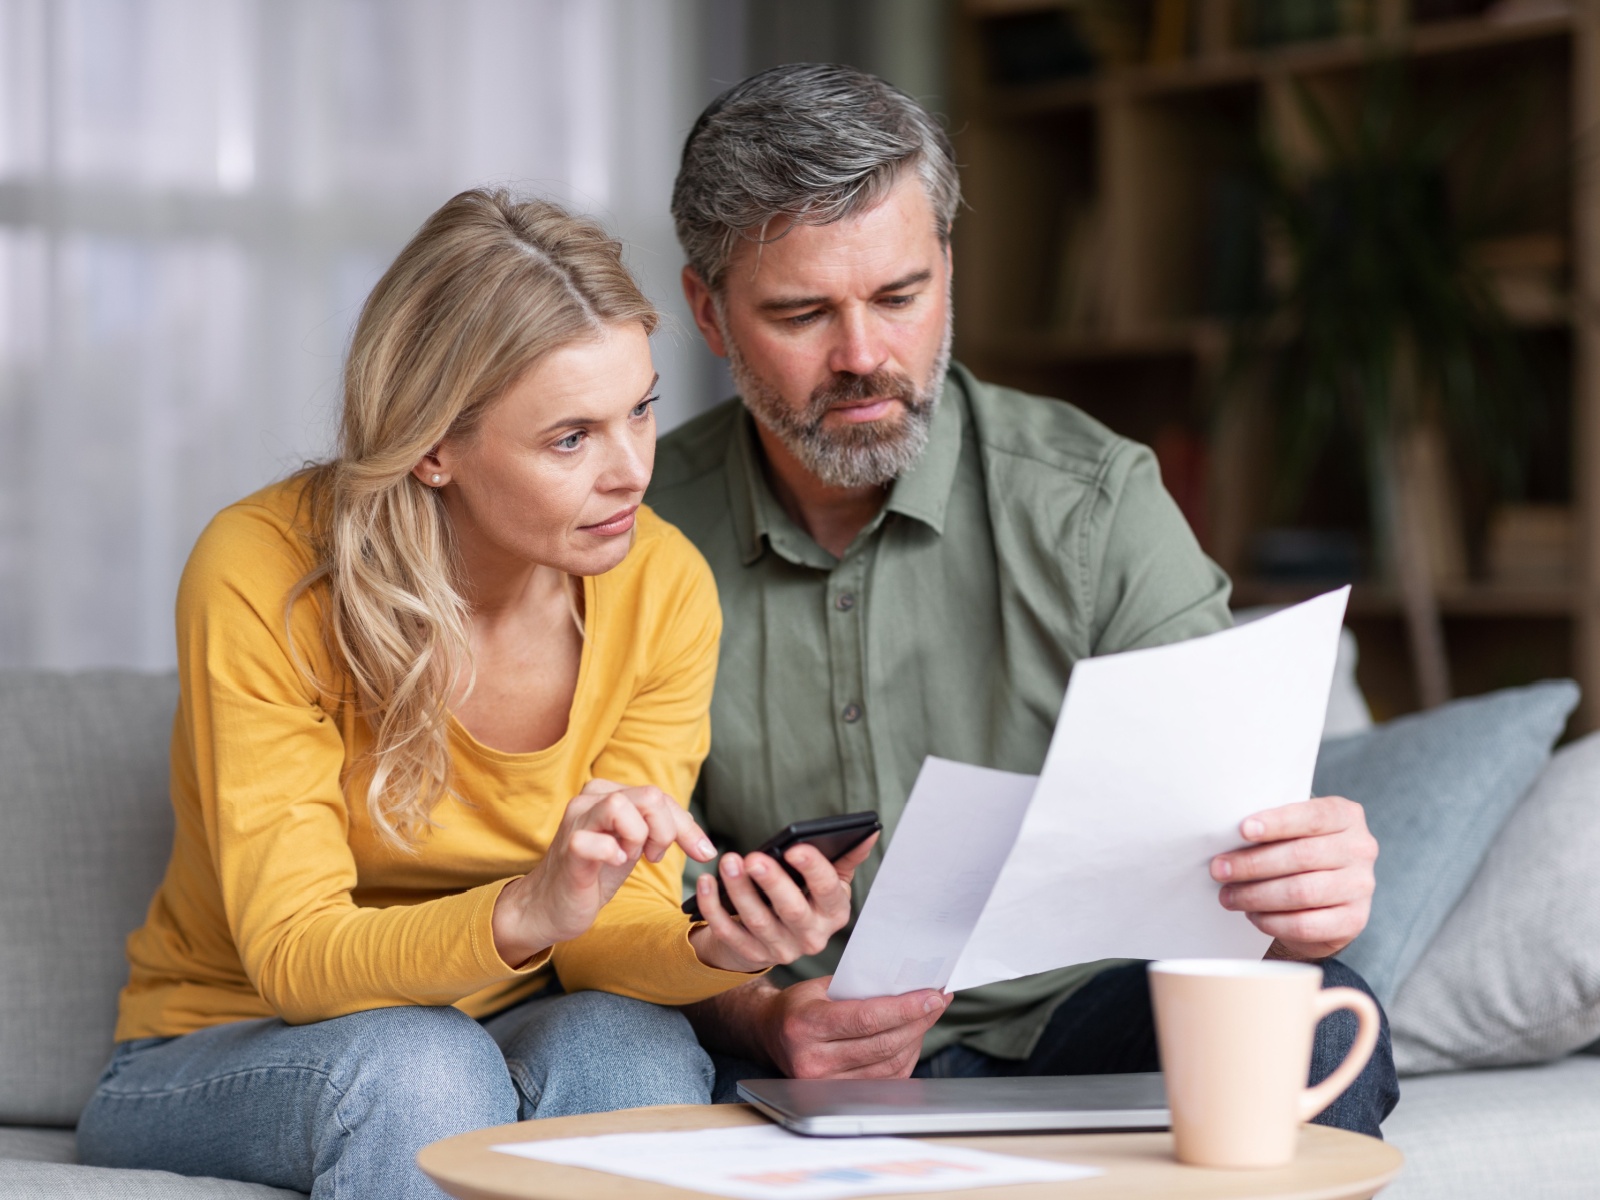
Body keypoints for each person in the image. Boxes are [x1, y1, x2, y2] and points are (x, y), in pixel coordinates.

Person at [76, 190, 872, 1200]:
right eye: (570, 438)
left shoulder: (662, 585)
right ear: (432, 448)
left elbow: (605, 945)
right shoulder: (264, 569)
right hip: (231, 1041)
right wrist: (528, 909)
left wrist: (716, 946)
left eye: (641, 407)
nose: (633, 470)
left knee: (633, 1052)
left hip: (504, 1018)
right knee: (422, 1066)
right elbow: (292, 955)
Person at [647, 64, 1399, 1133]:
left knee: (1316, 1017)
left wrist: (1302, 905)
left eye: (900, 297)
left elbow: (1232, 855)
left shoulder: (1093, 502)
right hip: (767, 1040)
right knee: (621, 1058)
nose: (864, 357)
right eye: (802, 311)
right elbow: (602, 902)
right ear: (708, 314)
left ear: (947, 267)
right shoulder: (631, 535)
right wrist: (762, 1018)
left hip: (1072, 1014)